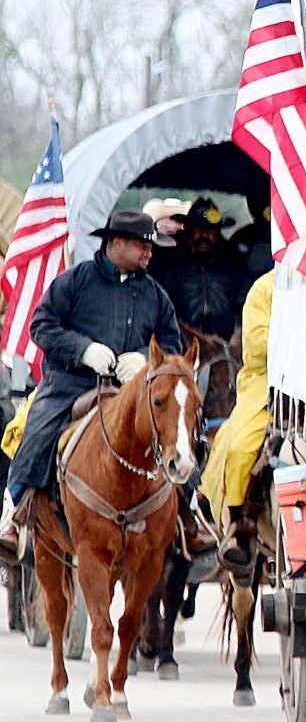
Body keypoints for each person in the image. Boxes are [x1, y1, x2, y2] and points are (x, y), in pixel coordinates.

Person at [0, 210, 183, 550]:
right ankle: (13, 513)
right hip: (69, 385)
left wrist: (144, 358)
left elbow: (173, 345)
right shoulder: (76, 281)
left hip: (134, 390)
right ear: (116, 243)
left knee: (180, 434)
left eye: (149, 246)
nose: (149, 253)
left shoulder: (155, 294)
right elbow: (42, 325)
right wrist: (83, 350)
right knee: (37, 432)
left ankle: (188, 517)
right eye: (142, 245)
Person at [199, 270, 275, 570]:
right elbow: (255, 346)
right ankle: (238, 528)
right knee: (241, 449)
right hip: (266, 385)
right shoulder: (264, 289)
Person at [152, 197, 246, 340]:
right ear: (188, 232)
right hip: (181, 348)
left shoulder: (235, 269)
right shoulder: (169, 267)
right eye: (198, 229)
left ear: (219, 233)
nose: (204, 236)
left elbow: (244, 309)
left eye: (210, 230)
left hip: (225, 350)